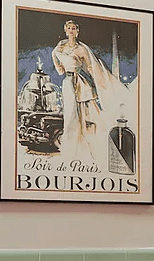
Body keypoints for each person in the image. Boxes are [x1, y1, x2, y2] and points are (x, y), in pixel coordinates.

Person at [51, 20, 119, 169]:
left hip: (80, 83)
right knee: (69, 116)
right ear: (65, 30)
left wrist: (100, 82)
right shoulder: (59, 48)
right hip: (67, 84)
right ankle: (72, 147)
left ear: (77, 31)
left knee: (83, 114)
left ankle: (85, 145)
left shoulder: (81, 49)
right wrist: (55, 58)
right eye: (68, 28)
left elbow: (89, 66)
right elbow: (60, 71)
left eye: (74, 28)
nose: (71, 31)